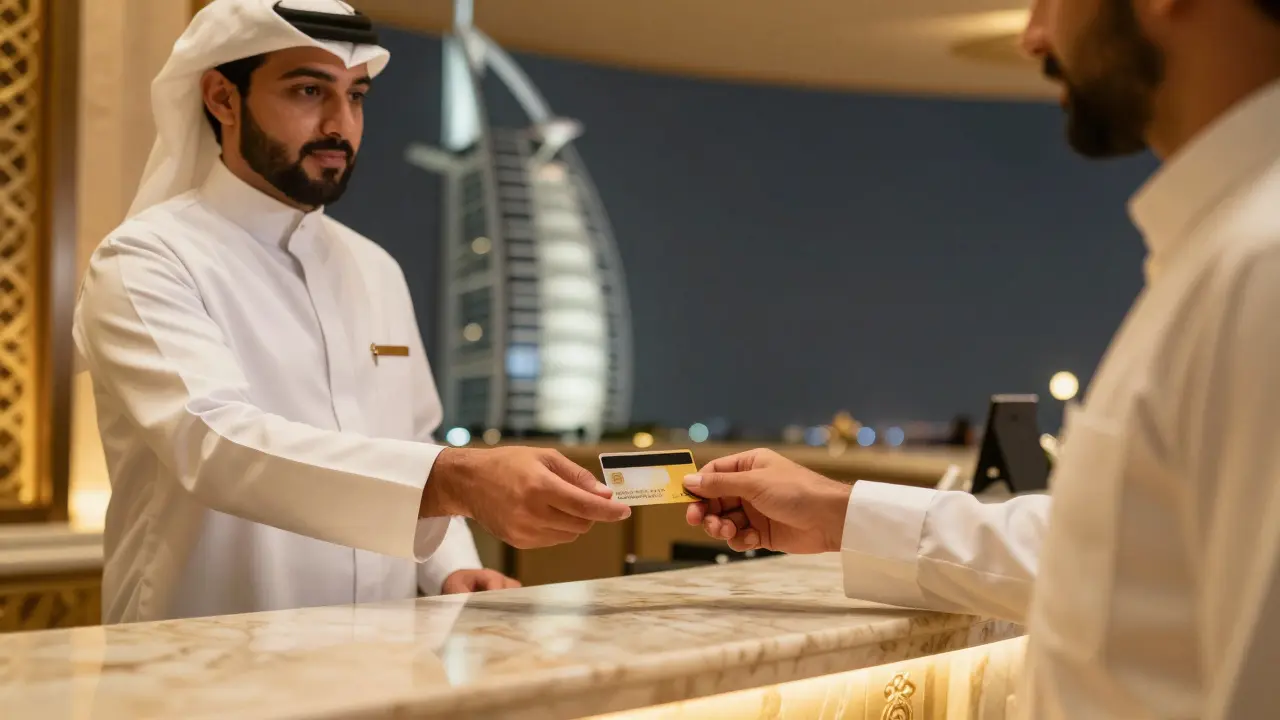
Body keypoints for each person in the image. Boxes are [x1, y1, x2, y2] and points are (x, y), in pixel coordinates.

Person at [687, 0, 1280, 716]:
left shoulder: (1262, 265)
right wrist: (840, 514)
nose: (1032, 35)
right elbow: (1122, 559)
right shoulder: (1233, 254)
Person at [73, 0, 630, 625]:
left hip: (384, 656)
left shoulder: (375, 268)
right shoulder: (146, 259)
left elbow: (412, 440)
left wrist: (449, 567)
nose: (340, 124)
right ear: (223, 99)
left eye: (356, 96)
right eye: (309, 90)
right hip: (203, 657)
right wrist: (460, 480)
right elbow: (215, 445)